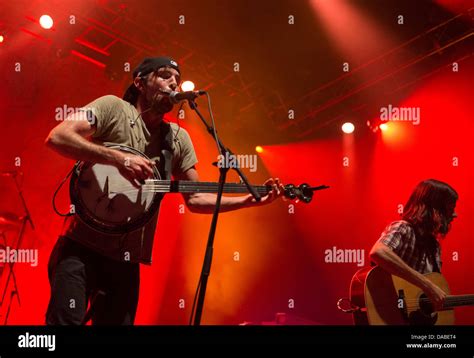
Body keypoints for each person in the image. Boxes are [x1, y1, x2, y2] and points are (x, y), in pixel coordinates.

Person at [44, 56, 283, 325]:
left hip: (125, 260)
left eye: (178, 79)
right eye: (165, 75)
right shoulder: (111, 107)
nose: (174, 82)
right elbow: (58, 137)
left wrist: (248, 200)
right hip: (80, 247)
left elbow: (195, 198)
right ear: (139, 82)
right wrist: (118, 158)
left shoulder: (178, 139)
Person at [369, 179, 458, 312]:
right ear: (434, 208)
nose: (454, 214)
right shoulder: (404, 228)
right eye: (450, 208)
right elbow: (378, 252)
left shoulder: (434, 246)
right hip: (392, 313)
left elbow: (428, 297)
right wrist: (427, 285)